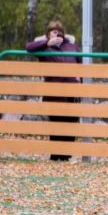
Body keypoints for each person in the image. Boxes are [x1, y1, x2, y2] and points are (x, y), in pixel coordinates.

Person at [26, 20, 81, 162]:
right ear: (48, 33)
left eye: (59, 30)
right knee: (56, 123)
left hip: (72, 92)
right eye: (54, 30)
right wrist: (47, 43)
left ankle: (66, 155)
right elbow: (29, 47)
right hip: (53, 92)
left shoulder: (72, 46)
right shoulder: (44, 48)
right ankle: (55, 155)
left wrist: (78, 78)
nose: (57, 33)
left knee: (70, 123)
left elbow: (80, 62)